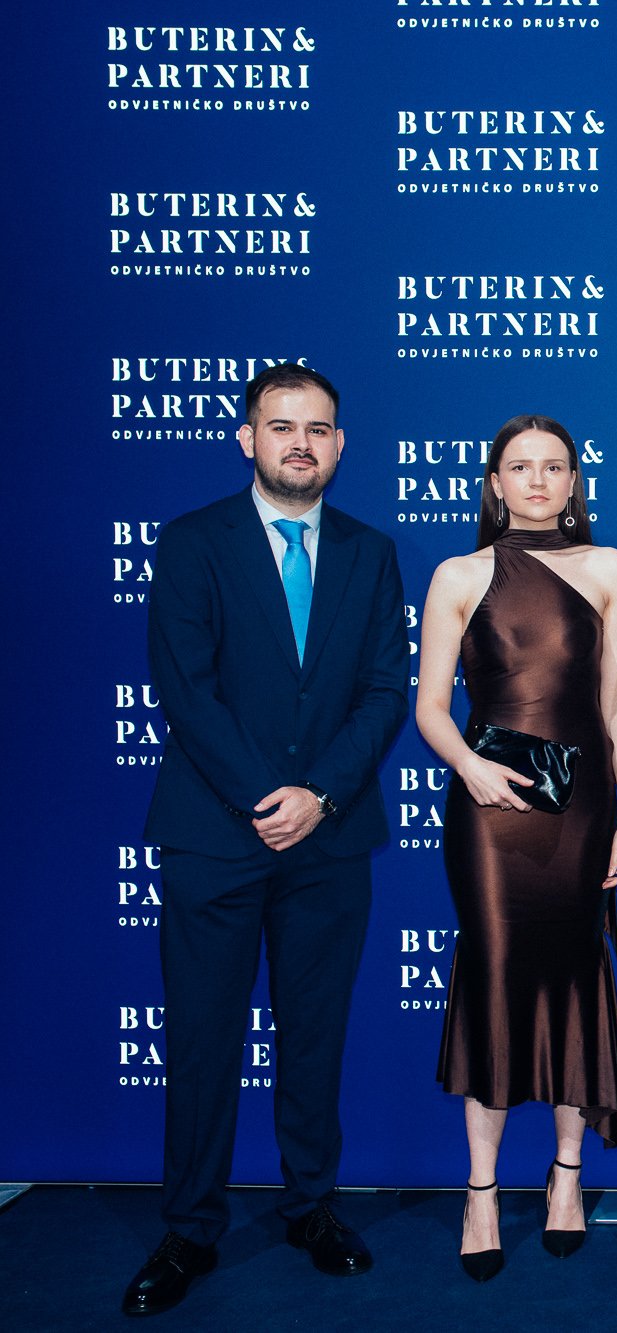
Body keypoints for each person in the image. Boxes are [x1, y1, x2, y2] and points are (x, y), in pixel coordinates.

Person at [125, 364, 406, 1316]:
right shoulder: (192, 541)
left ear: (339, 444)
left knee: (314, 1034)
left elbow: (384, 690)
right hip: (215, 835)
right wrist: (264, 796)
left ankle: (311, 1206)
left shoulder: (371, 552)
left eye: (318, 429)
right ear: (247, 438)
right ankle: (189, 1227)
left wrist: (318, 795)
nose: (300, 443)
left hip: (329, 839)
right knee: (203, 1038)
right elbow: (185, 687)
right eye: (281, 426)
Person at [413, 415, 617, 1281]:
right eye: (520, 466)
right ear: (495, 482)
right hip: (490, 810)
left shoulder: (609, 567)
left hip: (582, 810)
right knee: (496, 978)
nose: (538, 480)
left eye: (554, 466)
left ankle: (567, 1177)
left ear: (575, 481)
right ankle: (480, 1189)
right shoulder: (459, 574)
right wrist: (469, 766)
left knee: (577, 978)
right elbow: (431, 705)